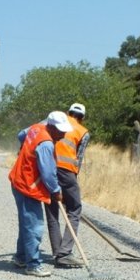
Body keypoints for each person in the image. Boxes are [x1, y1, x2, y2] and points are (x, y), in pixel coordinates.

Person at [9, 111, 71, 277]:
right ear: (50, 127)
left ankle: (21, 257)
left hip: (19, 180)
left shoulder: (35, 128)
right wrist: (56, 191)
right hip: (27, 186)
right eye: (60, 130)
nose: (63, 134)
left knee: (26, 223)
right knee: (34, 226)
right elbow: (48, 173)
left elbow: (20, 134)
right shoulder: (46, 144)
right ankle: (33, 265)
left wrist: (24, 148)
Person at [46, 103, 91, 268]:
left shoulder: (55, 123)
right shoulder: (83, 132)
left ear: (68, 113)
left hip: (49, 168)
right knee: (74, 208)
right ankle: (64, 253)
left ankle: (57, 251)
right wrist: (71, 187)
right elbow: (78, 158)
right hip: (67, 172)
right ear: (82, 117)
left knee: (52, 210)